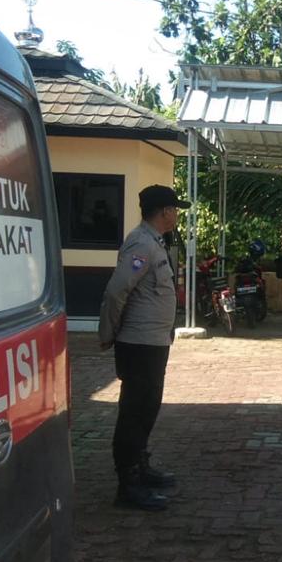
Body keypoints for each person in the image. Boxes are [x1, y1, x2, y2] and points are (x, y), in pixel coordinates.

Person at [98, 184, 189, 512]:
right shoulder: (141, 243)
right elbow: (116, 291)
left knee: (147, 409)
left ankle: (141, 466)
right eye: (175, 209)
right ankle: (128, 484)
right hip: (138, 344)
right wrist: (107, 332)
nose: (176, 215)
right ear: (165, 211)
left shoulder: (155, 242)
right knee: (134, 413)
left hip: (153, 342)